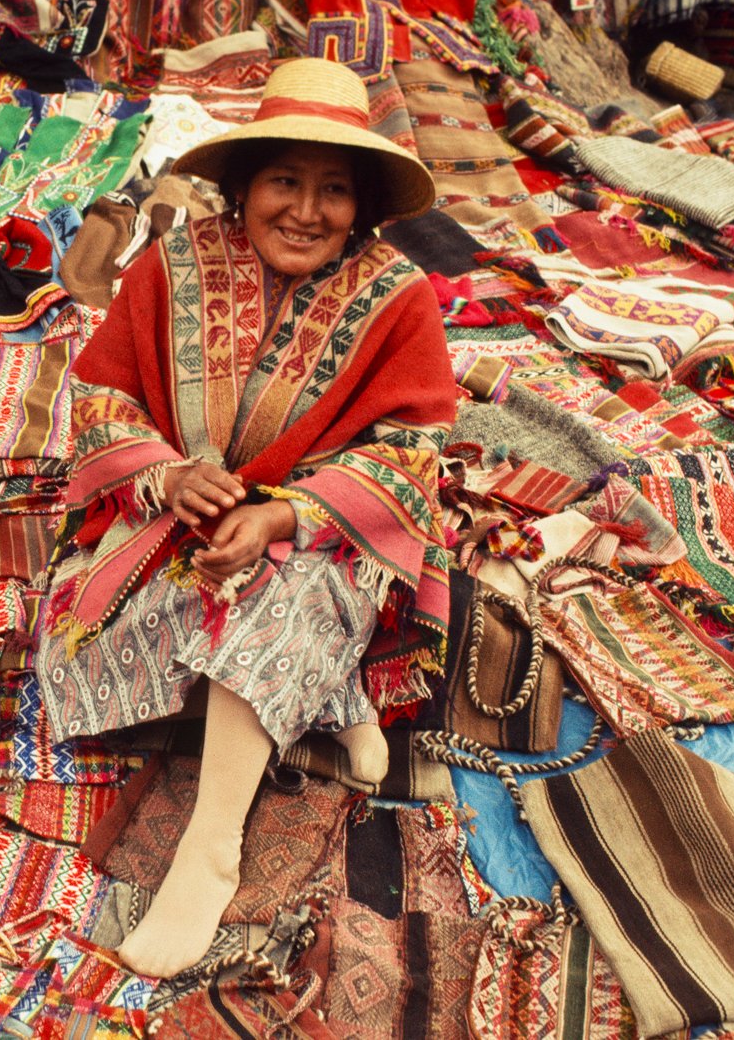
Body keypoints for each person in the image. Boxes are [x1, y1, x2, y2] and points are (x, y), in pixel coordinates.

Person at [37, 57, 457, 979]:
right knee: (71, 658)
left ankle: (210, 848)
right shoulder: (171, 263)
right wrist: (166, 474)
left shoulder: (400, 296)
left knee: (285, 602)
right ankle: (334, 699)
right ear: (244, 184)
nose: (307, 210)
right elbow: (102, 399)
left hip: (326, 544)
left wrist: (284, 519)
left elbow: (413, 454)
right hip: (184, 525)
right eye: (284, 181)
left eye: (334, 189)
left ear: (364, 205)